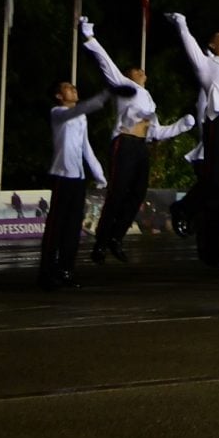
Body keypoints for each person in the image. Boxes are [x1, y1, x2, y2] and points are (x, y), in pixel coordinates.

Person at [78, 20, 195, 262]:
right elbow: (106, 63)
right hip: (125, 142)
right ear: (129, 75)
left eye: (143, 71)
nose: (142, 72)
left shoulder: (150, 101)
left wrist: (182, 126)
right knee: (118, 193)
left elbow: (156, 132)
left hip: (140, 146)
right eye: (136, 70)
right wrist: (90, 39)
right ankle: (101, 243)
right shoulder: (125, 85)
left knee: (137, 194)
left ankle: (115, 238)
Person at [166, 11, 219, 267]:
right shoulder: (207, 64)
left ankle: (216, 247)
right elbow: (189, 44)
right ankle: (184, 209)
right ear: (212, 45)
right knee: (215, 179)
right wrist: (182, 23)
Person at [38, 78, 115, 290]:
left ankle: (66, 270)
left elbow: (85, 148)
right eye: (68, 88)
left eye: (73, 86)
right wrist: (106, 94)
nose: (73, 89)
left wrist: (99, 176)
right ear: (59, 96)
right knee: (56, 227)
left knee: (73, 228)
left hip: (77, 178)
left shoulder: (80, 117)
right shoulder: (58, 113)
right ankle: (46, 272)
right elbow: (81, 109)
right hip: (61, 176)